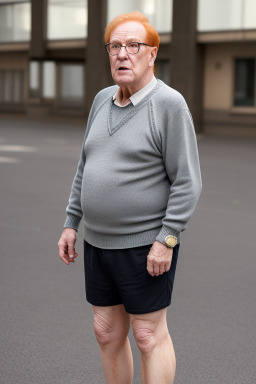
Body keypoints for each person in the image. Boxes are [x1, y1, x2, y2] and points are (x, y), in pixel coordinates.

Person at [58, 11, 202, 384]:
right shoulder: (102, 100)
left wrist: (166, 240)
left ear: (151, 54)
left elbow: (188, 181)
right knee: (106, 331)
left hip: (145, 246)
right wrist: (71, 222)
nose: (122, 54)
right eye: (115, 46)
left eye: (133, 46)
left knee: (148, 335)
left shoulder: (169, 105)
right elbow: (86, 164)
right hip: (98, 243)